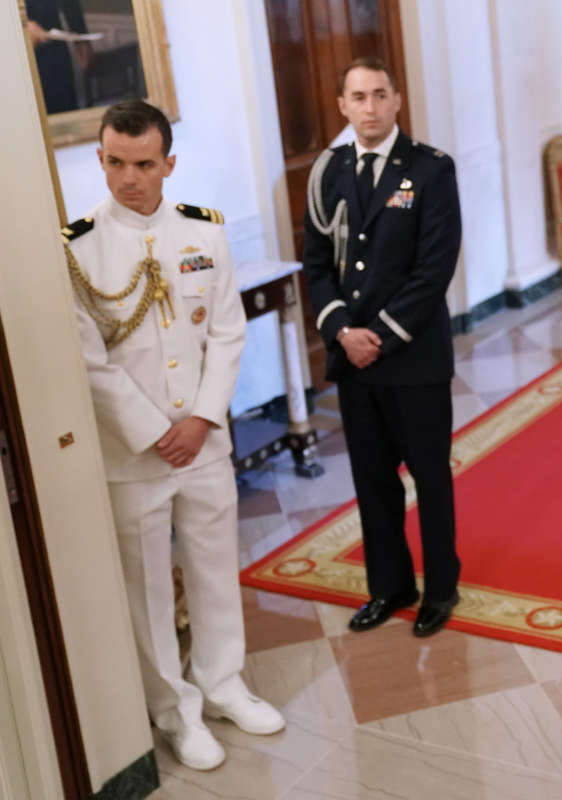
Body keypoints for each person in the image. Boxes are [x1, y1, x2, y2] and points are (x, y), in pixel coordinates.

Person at [64, 100, 284, 772]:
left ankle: (223, 684)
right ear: (101, 159)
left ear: (169, 164)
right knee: (149, 586)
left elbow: (226, 333)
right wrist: (156, 432)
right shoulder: (76, 249)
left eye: (144, 164)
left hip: (204, 441)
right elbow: (88, 359)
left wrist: (201, 420)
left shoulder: (204, 235)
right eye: (116, 163)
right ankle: (175, 711)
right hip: (135, 455)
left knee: (216, 565)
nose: (129, 178)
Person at [303, 57, 462, 637]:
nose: (368, 108)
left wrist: (381, 337)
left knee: (429, 476)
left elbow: (434, 267)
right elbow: (318, 263)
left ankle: (440, 589)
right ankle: (389, 587)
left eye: (378, 95)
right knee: (372, 480)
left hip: (413, 357)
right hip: (354, 360)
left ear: (397, 101)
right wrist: (343, 331)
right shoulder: (329, 172)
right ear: (342, 105)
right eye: (357, 97)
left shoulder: (430, 170)